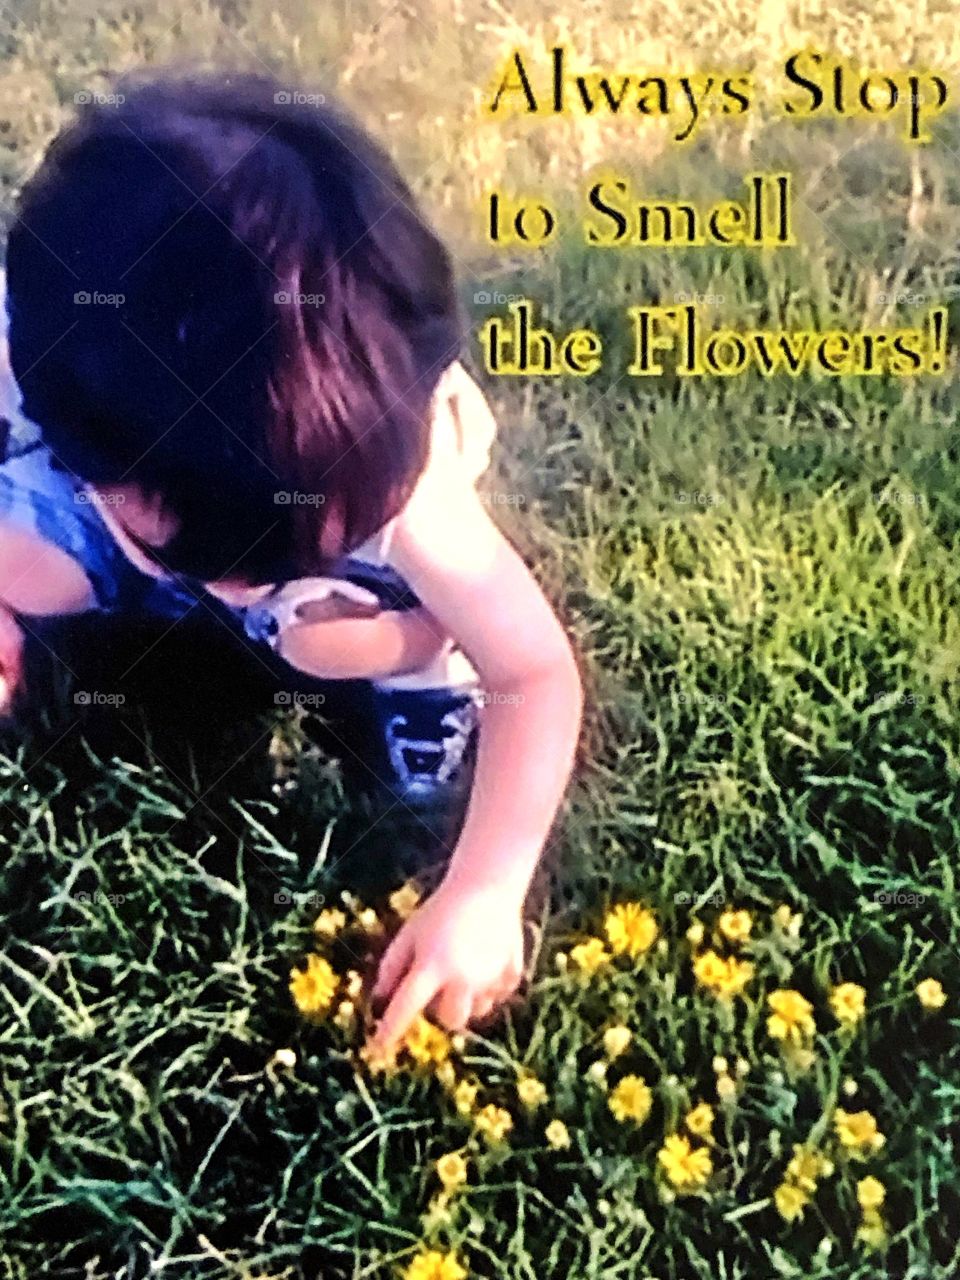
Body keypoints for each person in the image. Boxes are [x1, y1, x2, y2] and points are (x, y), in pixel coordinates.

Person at [0, 69, 583, 1053]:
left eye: (264, 562)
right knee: (24, 566)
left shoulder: (386, 465)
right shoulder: (50, 352)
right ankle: (146, 566)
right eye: (214, 563)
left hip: (345, 573)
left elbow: (535, 672)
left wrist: (485, 889)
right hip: (141, 482)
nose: (241, 591)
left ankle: (418, 648)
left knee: (330, 639)